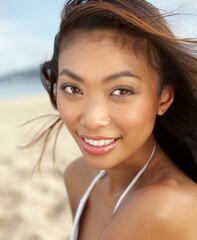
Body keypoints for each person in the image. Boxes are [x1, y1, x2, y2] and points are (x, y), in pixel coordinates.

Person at [39, 0, 197, 239]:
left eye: (121, 91)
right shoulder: (78, 176)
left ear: (163, 98)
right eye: (72, 88)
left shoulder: (165, 206)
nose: (92, 119)